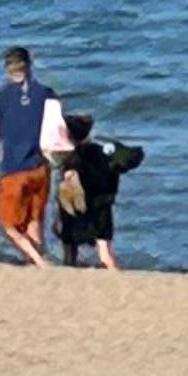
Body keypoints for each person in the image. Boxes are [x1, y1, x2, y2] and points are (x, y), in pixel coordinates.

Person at [0, 43, 55, 269]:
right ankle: (35, 263)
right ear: (30, 65)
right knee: (34, 221)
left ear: (7, 68)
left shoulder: (0, 99)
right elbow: (57, 131)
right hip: (41, 167)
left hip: (14, 169)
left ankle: (40, 262)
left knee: (8, 225)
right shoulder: (47, 94)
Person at [54, 108, 145, 270]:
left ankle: (70, 272)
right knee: (105, 252)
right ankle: (115, 275)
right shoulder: (102, 152)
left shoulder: (70, 160)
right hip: (102, 208)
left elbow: (66, 192)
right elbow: (133, 156)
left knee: (70, 252)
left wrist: (57, 218)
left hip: (77, 211)